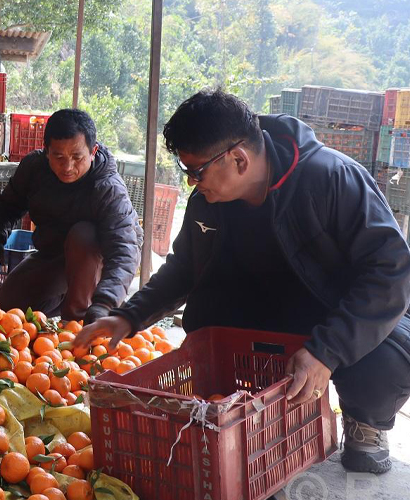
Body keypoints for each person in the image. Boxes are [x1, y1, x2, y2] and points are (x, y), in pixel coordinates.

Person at [75, 89, 410, 474]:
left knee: (385, 359)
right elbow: (185, 268)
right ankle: (251, 411)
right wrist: (129, 316)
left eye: (197, 171)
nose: (192, 183)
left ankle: (367, 421)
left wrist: (326, 351)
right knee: (209, 328)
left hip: (334, 313)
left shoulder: (330, 178)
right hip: (270, 316)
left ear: (238, 159)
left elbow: (391, 271)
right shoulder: (208, 202)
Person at [0, 109, 143, 323]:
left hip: (99, 261)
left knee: (85, 235)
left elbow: (124, 251)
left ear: (93, 151)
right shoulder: (34, 168)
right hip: (56, 255)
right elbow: (7, 204)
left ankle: (78, 319)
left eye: (77, 157)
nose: (67, 167)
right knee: (6, 308)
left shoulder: (108, 189)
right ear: (46, 151)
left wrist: (105, 302)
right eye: (58, 157)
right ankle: (67, 300)